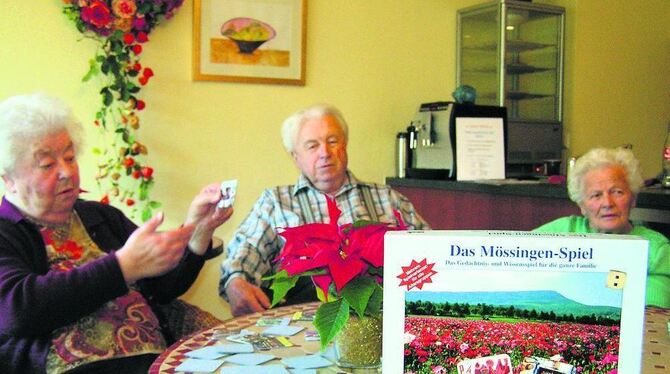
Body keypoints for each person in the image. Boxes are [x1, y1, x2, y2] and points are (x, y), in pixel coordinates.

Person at [0, 93, 234, 374]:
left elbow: (163, 289)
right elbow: (17, 310)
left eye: (70, 157)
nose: (67, 172)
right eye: (48, 165)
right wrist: (122, 268)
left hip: (154, 361)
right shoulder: (5, 233)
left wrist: (199, 230)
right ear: (9, 180)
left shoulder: (101, 217)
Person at [219, 104, 430, 316]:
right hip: (303, 323)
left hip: (381, 319)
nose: (324, 153)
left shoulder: (386, 197)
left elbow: (430, 249)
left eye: (332, 141)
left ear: (345, 145)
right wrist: (235, 281)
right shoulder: (275, 202)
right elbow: (246, 251)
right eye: (312, 146)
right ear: (295, 156)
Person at [534, 147, 670, 308]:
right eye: (596, 195)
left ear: (633, 198)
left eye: (617, 192)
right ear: (582, 205)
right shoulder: (561, 231)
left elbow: (652, 315)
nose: (607, 203)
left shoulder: (656, 249)